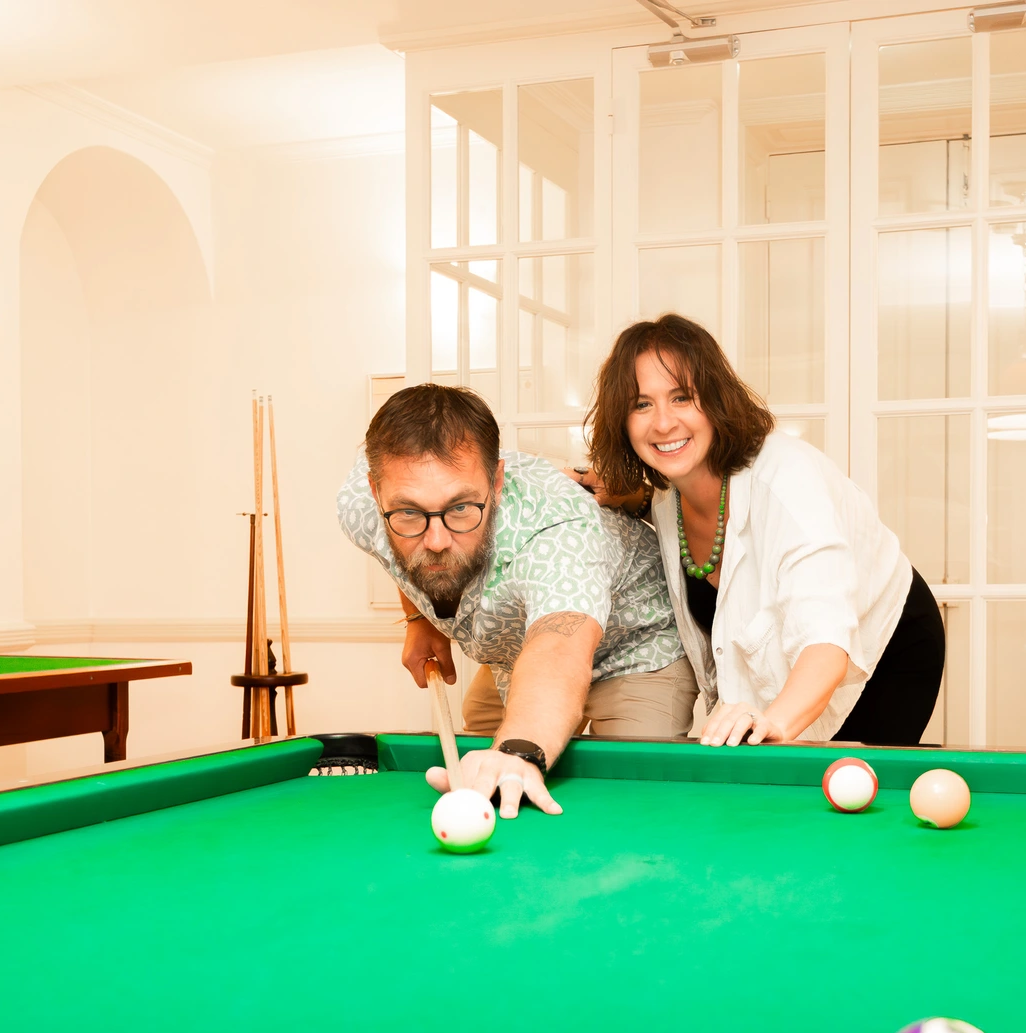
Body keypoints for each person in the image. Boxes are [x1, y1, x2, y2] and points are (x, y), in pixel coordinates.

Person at [580, 314, 946, 747]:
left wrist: (775, 724)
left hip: (887, 648)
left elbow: (825, 640)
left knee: (829, 793)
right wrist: (629, 496)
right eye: (642, 404)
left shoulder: (790, 483)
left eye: (682, 398)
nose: (663, 423)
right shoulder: (666, 496)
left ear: (715, 401)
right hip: (799, 662)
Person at [338, 383, 696, 815]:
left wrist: (520, 752)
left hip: (635, 649)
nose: (434, 541)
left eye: (460, 509)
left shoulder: (557, 531)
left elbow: (560, 646)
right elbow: (393, 554)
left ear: (497, 481)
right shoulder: (360, 507)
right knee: (485, 779)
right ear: (377, 493)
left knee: (628, 806)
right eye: (409, 513)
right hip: (515, 649)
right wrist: (420, 618)